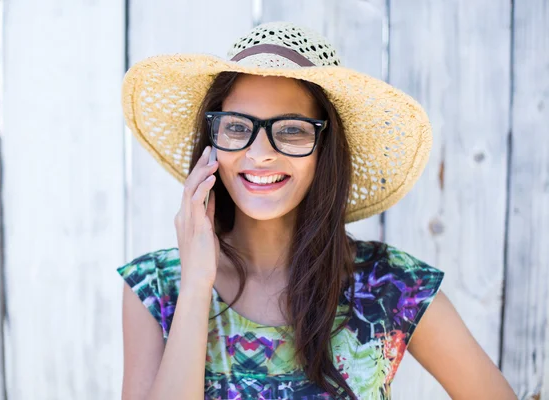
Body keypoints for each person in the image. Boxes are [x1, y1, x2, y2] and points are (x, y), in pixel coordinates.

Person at [116, 21, 516, 400]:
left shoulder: (390, 286)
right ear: (213, 142)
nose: (260, 154)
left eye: (291, 129)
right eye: (237, 127)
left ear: (325, 150)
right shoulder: (156, 288)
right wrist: (197, 281)